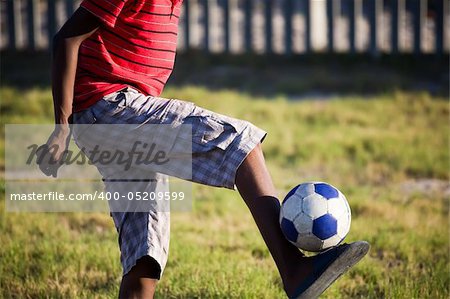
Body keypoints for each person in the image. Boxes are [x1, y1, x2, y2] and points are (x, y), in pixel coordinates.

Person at [38, 0, 370, 298]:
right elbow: (66, 39)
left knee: (145, 251)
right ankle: (294, 270)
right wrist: (62, 127)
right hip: (111, 108)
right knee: (240, 143)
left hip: (110, 119)